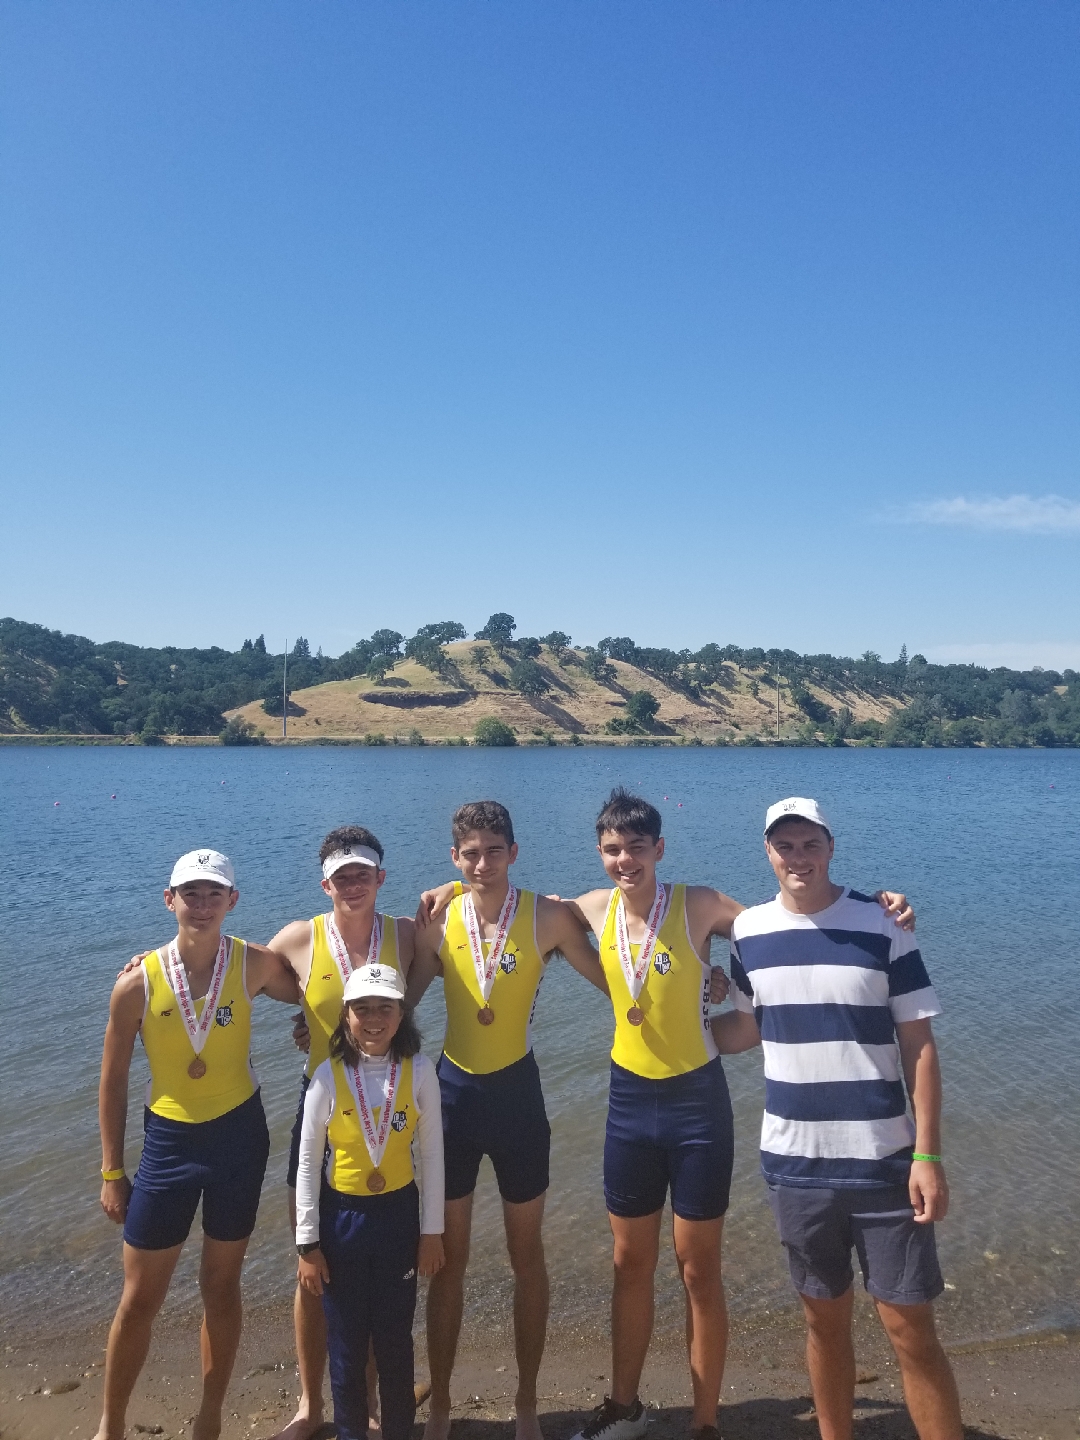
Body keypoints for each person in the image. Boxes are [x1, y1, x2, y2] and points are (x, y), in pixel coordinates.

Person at [560, 789, 915, 1440]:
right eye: (612, 850)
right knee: (629, 1263)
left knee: (698, 1267)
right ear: (600, 854)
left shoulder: (699, 904)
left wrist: (880, 908)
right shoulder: (586, 909)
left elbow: (788, 919)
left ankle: (703, 1421)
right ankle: (626, 1404)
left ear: (659, 849)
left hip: (698, 1104)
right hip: (629, 1104)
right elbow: (512, 911)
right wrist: (441, 897)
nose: (625, 861)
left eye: (638, 848)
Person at [712, 797, 961, 1440]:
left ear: (830, 847)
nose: (798, 857)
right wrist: (666, 1023)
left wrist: (928, 1157)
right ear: (767, 853)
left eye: (809, 843)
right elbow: (746, 1028)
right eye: (784, 845)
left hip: (884, 1161)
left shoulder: (883, 923)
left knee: (910, 1327)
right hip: (796, 1165)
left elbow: (920, 1045)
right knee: (823, 1321)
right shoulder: (750, 933)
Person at [406, 800, 610, 1440]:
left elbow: (618, 978)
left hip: (519, 1098)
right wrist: (322, 1026)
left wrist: (703, 974)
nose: (482, 863)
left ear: (514, 854)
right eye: (469, 854)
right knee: (447, 1261)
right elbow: (395, 1004)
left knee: (528, 1257)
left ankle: (525, 1403)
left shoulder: (548, 917)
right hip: (454, 1099)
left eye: (495, 851)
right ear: (454, 858)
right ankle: (439, 1405)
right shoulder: (435, 923)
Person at [95, 849, 300, 1440]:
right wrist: (112, 1169)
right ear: (170, 900)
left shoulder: (254, 964)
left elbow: (320, 984)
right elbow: (112, 1079)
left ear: (233, 901)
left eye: (215, 894)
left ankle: (209, 1418)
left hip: (240, 1137)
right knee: (140, 1296)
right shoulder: (136, 983)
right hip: (168, 1144)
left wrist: (313, 1024)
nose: (203, 905)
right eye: (191, 893)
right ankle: (111, 1424)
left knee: (221, 1286)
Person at [268, 825, 416, 1440]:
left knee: (380, 1265)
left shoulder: (407, 934)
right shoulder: (301, 939)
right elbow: (230, 960)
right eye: (341, 876)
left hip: (390, 1104)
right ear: (324, 882)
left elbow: (465, 930)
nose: (352, 885)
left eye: (364, 874)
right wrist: (147, 960)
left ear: (381, 878)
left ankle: (376, 1400)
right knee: (316, 1262)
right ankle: (311, 1403)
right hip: (324, 1106)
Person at [295, 962, 445, 1440]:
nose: (374, 1019)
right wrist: (307, 1244)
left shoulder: (420, 1071)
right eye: (363, 1009)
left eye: (385, 1008)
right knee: (346, 1344)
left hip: (399, 1217)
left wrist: (432, 1233)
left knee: (396, 1340)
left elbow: (434, 1158)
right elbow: (306, 1165)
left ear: (402, 1015)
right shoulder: (325, 1076)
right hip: (343, 1221)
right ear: (345, 1016)